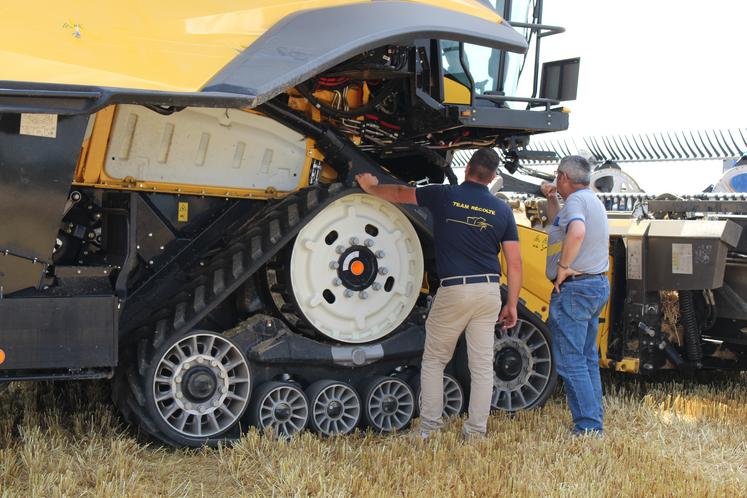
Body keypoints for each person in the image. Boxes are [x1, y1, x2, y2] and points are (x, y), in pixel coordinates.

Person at [355, 148, 522, 440]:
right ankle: (476, 432)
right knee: (482, 366)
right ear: (493, 176)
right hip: (488, 291)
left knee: (434, 360)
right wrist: (512, 304)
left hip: (455, 289)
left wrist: (370, 186)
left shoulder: (444, 195)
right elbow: (515, 262)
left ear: (468, 167)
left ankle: (430, 429)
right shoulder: (503, 210)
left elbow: (398, 192)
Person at [540, 155, 610, 436]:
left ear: (564, 177)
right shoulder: (590, 200)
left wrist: (564, 268)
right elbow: (560, 223)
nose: (556, 180)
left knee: (570, 361)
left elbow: (576, 232)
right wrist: (552, 197)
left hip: (576, 289)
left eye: (558, 176)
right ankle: (594, 418)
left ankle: (588, 427)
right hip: (595, 286)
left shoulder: (578, 202)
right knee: (586, 357)